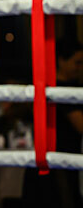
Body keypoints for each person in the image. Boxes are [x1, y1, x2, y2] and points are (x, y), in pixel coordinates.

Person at [22, 34, 83, 208]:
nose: (79, 68)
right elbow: (81, 126)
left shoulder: (52, 86)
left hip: (59, 160)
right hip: (57, 163)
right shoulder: (60, 89)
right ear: (61, 61)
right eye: (76, 62)